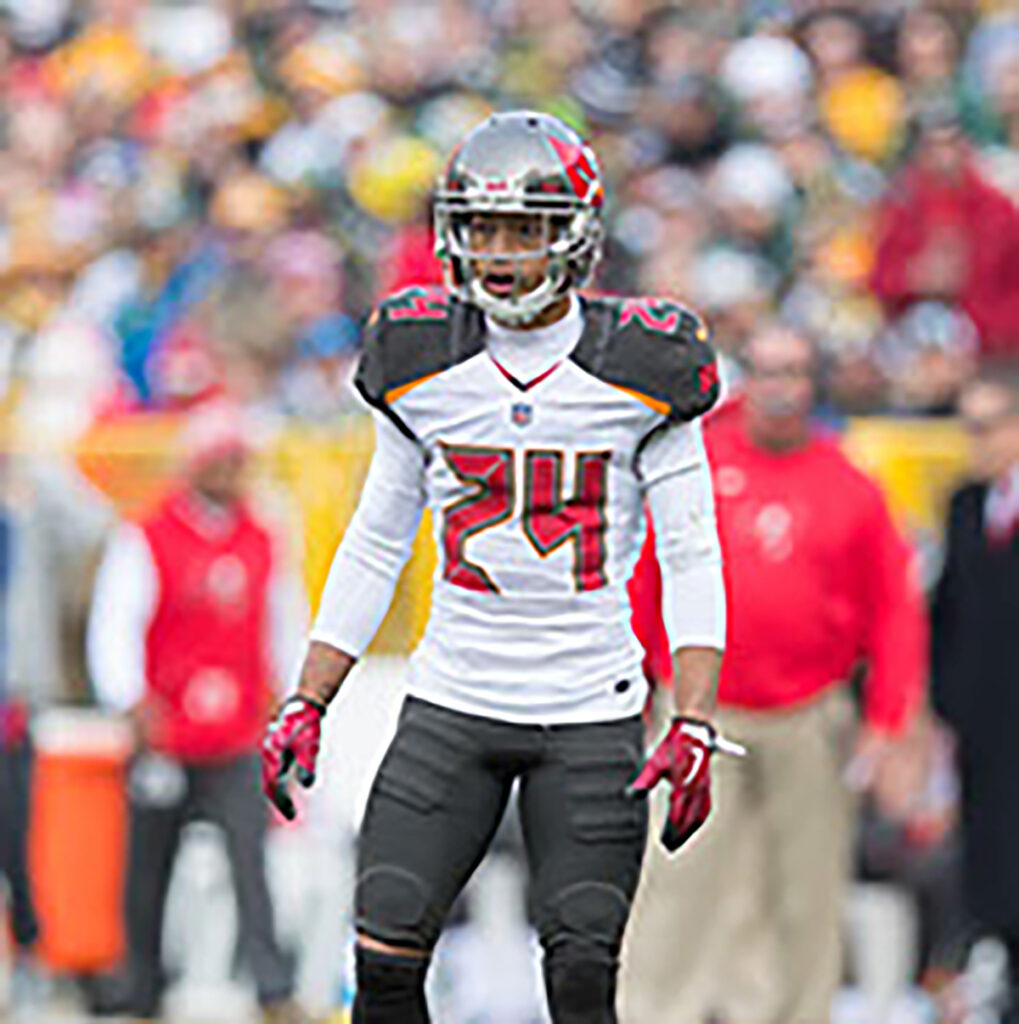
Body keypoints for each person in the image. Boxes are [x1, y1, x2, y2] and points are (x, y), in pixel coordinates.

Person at [261, 110, 733, 1024]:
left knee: (580, 979)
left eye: (525, 227)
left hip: (590, 712)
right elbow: (377, 535)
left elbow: (690, 551)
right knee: (386, 964)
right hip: (452, 704)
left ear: (577, 232)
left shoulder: (644, 366)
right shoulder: (418, 354)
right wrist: (306, 698)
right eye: (480, 226)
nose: (500, 249)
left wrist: (696, 717)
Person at [620, 324, 927, 1024]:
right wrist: (638, 679)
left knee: (807, 892)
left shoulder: (851, 485)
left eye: (792, 373)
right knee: (677, 880)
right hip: (701, 711)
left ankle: (795, 1015)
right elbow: (645, 578)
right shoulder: (697, 466)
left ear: (812, 382)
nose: (778, 389)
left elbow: (895, 614)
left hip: (807, 714)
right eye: (765, 372)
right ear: (745, 381)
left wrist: (887, 721)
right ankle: (654, 1013)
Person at [88, 400, 310, 1024]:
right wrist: (130, 700)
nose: (230, 472)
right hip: (166, 733)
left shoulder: (265, 535)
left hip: (236, 731)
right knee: (147, 867)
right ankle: (142, 990)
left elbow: (283, 622)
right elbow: (117, 622)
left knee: (252, 863)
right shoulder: (149, 533)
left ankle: (273, 988)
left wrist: (288, 697)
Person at [932, 375, 1019, 1023]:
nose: (977, 441)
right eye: (970, 426)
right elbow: (948, 612)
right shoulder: (964, 505)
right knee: (990, 873)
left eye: (989, 425)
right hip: (984, 729)